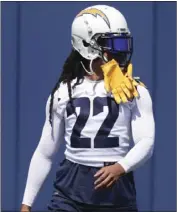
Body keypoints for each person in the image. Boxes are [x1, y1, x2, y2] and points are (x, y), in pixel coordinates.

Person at [21, 4, 155, 212]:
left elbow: (146, 140)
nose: (119, 50)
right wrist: (26, 204)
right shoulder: (64, 91)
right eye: (111, 43)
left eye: (121, 42)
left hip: (116, 196)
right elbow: (45, 153)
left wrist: (122, 166)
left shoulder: (133, 90)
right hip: (70, 191)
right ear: (86, 45)